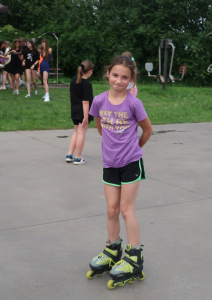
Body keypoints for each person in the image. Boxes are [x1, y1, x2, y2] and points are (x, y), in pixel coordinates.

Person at [87, 55, 153, 289]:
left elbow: (147, 130)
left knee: (126, 209)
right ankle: (113, 249)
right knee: (111, 208)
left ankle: (134, 257)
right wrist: (111, 149)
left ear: (131, 79)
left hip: (130, 164)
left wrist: (135, 149)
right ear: (108, 74)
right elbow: (100, 127)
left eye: (125, 77)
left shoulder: (134, 103)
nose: (119, 80)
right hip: (110, 164)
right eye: (115, 75)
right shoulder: (99, 101)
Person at [66, 60, 94, 165]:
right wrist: (86, 117)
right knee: (81, 133)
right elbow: (85, 102)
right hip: (83, 112)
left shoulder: (74, 81)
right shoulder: (87, 85)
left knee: (76, 132)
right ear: (90, 72)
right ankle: (78, 157)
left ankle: (69, 154)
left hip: (74, 110)